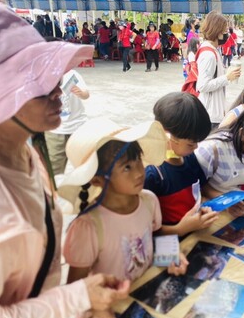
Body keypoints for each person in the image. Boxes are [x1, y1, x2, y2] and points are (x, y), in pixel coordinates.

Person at [0, 2, 129, 318]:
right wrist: (76, 298)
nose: (57, 92)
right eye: (38, 86)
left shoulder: (25, 152)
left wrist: (80, 304)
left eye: (54, 79)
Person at [60, 118, 188, 283]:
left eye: (138, 160)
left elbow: (153, 238)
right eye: (127, 167)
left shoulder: (149, 201)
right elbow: (76, 287)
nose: (139, 172)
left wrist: (171, 254)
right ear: (97, 180)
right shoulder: (88, 227)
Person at [144, 92, 220, 235]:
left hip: (195, 233)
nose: (196, 147)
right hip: (171, 244)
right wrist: (180, 229)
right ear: (166, 135)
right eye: (191, 144)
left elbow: (200, 191)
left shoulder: (189, 158)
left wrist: (204, 208)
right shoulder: (152, 175)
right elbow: (144, 229)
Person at [195, 11, 241, 128]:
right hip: (210, 115)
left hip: (215, 112)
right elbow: (203, 86)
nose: (227, 34)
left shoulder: (214, 50)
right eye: (224, 30)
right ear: (216, 30)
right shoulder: (208, 54)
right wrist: (227, 78)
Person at [45, 64, 90, 176]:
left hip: (77, 127)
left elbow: (86, 94)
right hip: (55, 131)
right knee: (54, 169)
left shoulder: (72, 75)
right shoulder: (44, 77)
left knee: (84, 166)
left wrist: (81, 93)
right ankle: (54, 192)